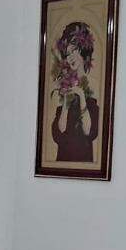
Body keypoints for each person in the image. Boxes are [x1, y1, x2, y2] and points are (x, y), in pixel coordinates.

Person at [48, 21, 100, 163]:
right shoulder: (62, 84)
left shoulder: (94, 84)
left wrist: (81, 96)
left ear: (83, 49)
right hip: (63, 161)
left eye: (73, 51)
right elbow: (58, 134)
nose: (69, 57)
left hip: (84, 162)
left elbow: (90, 131)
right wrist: (66, 102)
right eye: (67, 54)